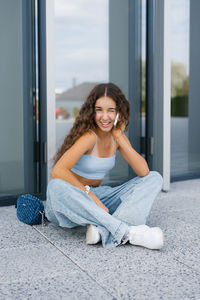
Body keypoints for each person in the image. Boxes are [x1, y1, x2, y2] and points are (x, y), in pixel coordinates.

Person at [45, 82, 164, 249]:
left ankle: (102, 230)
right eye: (99, 110)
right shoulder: (89, 137)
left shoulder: (116, 137)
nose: (104, 117)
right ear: (92, 111)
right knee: (56, 186)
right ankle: (126, 232)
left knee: (154, 178)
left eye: (111, 110)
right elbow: (58, 170)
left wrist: (119, 135)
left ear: (119, 112)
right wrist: (89, 196)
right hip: (72, 198)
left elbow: (143, 170)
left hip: (98, 197)